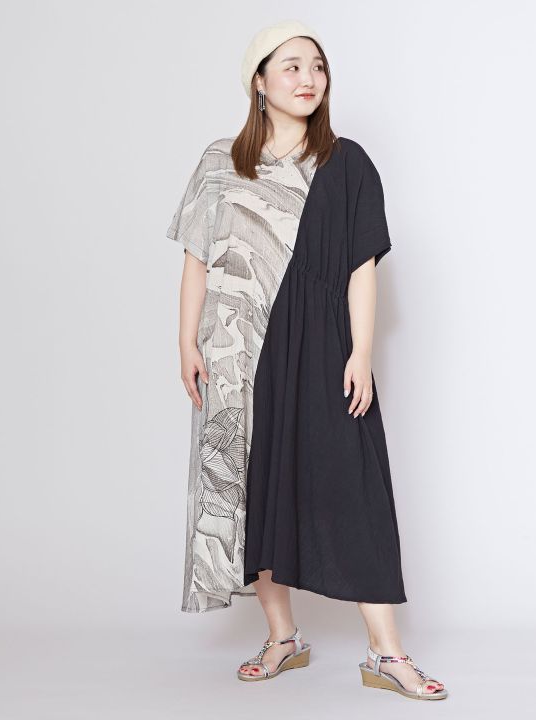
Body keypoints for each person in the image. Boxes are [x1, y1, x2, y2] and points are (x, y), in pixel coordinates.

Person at [165, 19, 447, 700]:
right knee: (255, 487)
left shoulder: (346, 164)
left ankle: (387, 653)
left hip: (321, 346)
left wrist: (360, 352)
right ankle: (282, 637)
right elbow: (197, 259)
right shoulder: (219, 162)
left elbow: (360, 268)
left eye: (317, 66)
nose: (308, 78)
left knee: (354, 488)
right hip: (237, 351)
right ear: (259, 82)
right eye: (291, 66)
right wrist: (186, 343)